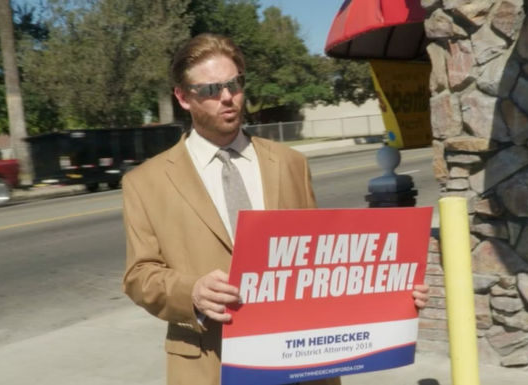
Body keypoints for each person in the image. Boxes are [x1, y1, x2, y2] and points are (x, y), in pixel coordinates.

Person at [122, 33, 429, 385]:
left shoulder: (290, 164)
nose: (226, 97)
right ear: (183, 97)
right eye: (210, 89)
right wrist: (190, 292)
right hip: (208, 365)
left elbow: (322, 263)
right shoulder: (146, 182)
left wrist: (391, 296)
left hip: (299, 364)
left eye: (234, 84)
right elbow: (139, 275)